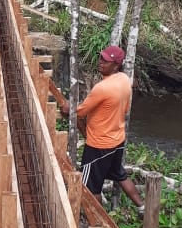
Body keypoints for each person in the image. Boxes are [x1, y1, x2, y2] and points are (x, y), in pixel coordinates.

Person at [60, 45, 144, 212]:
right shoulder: (125, 81)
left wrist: (67, 109)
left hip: (99, 146)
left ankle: (98, 222)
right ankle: (143, 206)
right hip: (117, 141)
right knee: (119, 174)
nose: (101, 63)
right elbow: (125, 109)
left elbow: (80, 112)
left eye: (106, 61)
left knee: (91, 186)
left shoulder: (102, 88)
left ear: (116, 65)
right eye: (101, 58)